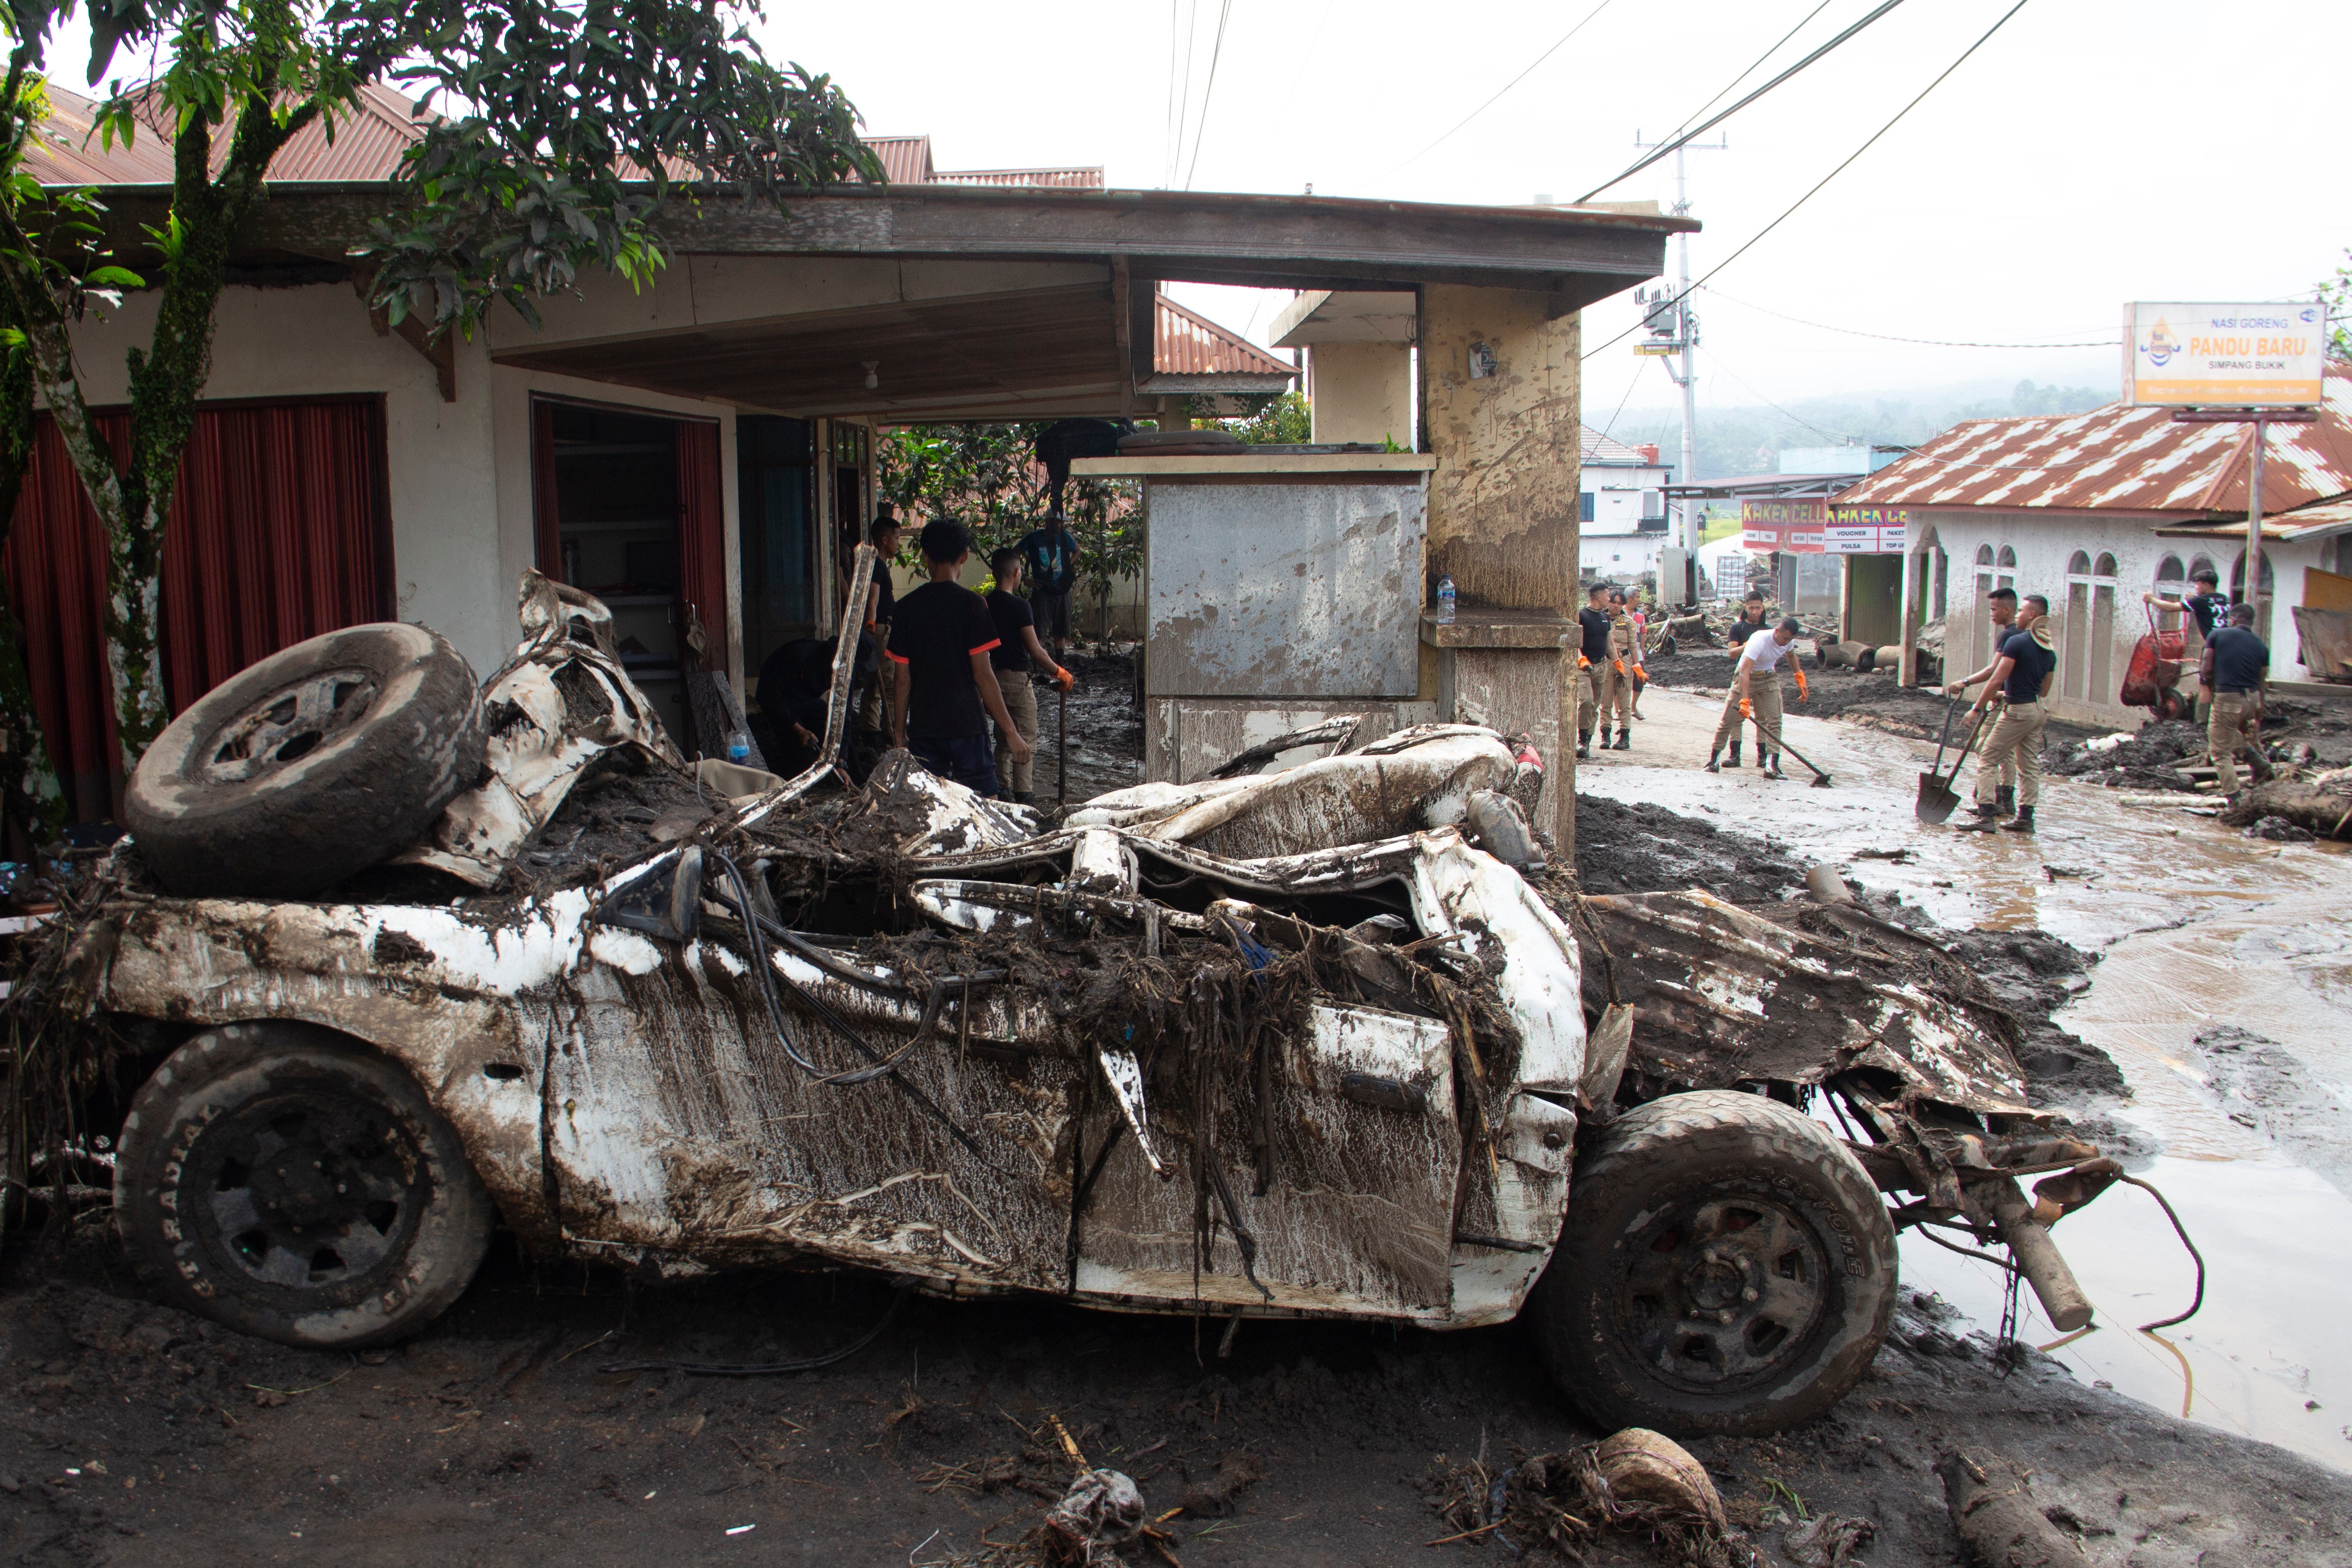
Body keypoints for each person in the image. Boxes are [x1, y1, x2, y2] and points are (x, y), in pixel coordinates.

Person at [888, 518, 1032, 797]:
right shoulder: (973, 605)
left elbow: (902, 679)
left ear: (925, 556)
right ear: (964, 555)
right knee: (986, 804)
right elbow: (984, 674)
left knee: (930, 805)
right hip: (966, 725)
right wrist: (1011, 732)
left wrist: (898, 732)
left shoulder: (906, 608)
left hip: (924, 727)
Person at [1951, 593, 2056, 833]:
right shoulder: (2049, 651)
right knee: (2029, 766)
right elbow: (2045, 689)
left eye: (2021, 611)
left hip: (2018, 710)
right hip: (2038, 709)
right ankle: (2026, 819)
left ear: (2031, 615)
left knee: (1987, 757)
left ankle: (1986, 817)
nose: (2018, 615)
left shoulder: (2016, 643)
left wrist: (1975, 708)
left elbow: (1997, 677)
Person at [983, 548, 1075, 804]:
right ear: (1016, 573)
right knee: (1025, 736)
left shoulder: (984, 604)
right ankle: (1024, 797)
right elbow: (1035, 650)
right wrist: (1060, 672)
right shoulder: (1020, 606)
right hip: (1016, 680)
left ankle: (1001, 794)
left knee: (1003, 736)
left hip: (989, 678)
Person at [1942, 586, 2022, 815]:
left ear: (2007, 610)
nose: (1992, 615)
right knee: (2007, 752)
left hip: (2001, 701)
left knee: (1985, 749)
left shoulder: (2008, 635)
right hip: (2016, 700)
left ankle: (1990, 803)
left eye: (1994, 610)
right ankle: (2007, 801)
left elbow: (1993, 671)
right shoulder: (2025, 635)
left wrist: (1965, 683)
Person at [1706, 616, 1800, 777]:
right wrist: (1744, 701)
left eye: (1790, 639)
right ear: (1777, 631)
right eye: (1785, 638)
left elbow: (1791, 656)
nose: (1787, 642)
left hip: (1768, 678)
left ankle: (1771, 766)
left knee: (1775, 721)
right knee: (1728, 720)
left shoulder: (1788, 641)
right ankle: (1713, 761)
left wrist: (1799, 676)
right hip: (1745, 676)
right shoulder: (1759, 640)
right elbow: (1744, 672)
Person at [2203, 602, 2269, 797]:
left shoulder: (2217, 635)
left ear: (2233, 619)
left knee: (2220, 752)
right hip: (2252, 700)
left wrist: (2213, 685)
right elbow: (2261, 682)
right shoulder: (2262, 646)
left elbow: (2206, 670)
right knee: (2229, 734)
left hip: (2229, 698)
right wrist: (2259, 714)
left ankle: (2233, 798)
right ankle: (2260, 763)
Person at [853, 509, 904, 742]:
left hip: (881, 627)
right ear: (885, 539)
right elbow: (872, 598)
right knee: (888, 683)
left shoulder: (876, 564)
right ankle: (888, 731)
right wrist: (872, 624)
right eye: (896, 537)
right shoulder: (878, 565)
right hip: (881, 629)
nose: (898, 543)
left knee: (875, 681)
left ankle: (872, 729)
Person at [1016, 509, 1082, 665]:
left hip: (1061, 590)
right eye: (1057, 521)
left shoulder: (1065, 538)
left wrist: (1067, 565)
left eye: (1061, 522)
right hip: (1042, 589)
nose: (1060, 525)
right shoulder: (1034, 538)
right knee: (1038, 630)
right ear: (1048, 522)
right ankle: (1037, 667)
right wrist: (1025, 578)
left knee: (1061, 630)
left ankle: (1060, 665)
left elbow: (1077, 551)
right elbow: (1015, 552)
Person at [1722, 591, 1774, 767]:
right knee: (1736, 717)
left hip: (1763, 675)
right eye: (1751, 607)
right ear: (1745, 607)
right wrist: (1749, 645)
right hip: (1743, 674)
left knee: (1763, 718)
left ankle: (1762, 757)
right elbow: (1731, 653)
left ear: (1763, 608)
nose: (1754, 611)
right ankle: (1735, 755)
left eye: (1758, 608)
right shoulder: (1737, 628)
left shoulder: (1768, 630)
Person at [1576, 582, 1613, 759]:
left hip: (1601, 666)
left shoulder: (1605, 618)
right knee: (1587, 701)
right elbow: (1573, 640)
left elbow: (1609, 642)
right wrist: (1580, 657)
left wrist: (1619, 662)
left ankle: (1587, 743)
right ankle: (1582, 739)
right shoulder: (1581, 616)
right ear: (1599, 597)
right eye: (1607, 595)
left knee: (1595, 706)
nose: (1609, 599)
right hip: (1584, 667)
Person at [1596, 590, 1637, 749]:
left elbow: (1633, 645)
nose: (1615, 606)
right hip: (1606, 662)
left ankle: (1624, 738)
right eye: (1613, 602)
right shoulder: (1601, 618)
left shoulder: (1628, 621)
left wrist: (1637, 666)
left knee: (1624, 703)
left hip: (1624, 661)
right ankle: (1605, 736)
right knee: (1605, 702)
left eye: (1619, 603)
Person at [2145, 566, 2227, 640]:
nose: (2196, 587)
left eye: (2198, 585)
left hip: (2215, 644)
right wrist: (2194, 598)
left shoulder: (2200, 601)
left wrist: (2151, 599)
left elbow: (2171, 607)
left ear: (2206, 585)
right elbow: (2208, 604)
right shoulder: (2225, 599)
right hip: (2228, 640)